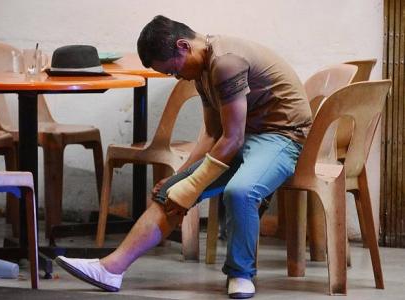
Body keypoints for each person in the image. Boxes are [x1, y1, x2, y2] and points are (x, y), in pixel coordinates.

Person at [55, 15, 312, 299]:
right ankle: (111, 268)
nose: (174, 76)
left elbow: (232, 139)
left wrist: (190, 187)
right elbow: (213, 135)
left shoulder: (226, 63)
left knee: (240, 192)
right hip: (246, 136)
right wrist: (177, 179)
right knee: (169, 192)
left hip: (283, 136)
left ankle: (240, 274)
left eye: (172, 70)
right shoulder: (202, 70)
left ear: (183, 46)